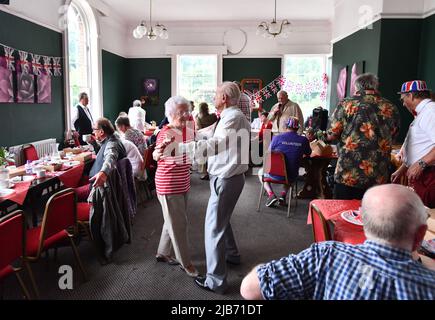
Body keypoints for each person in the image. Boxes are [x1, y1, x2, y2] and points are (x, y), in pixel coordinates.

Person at [240, 184, 435, 300]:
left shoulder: (326, 256)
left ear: (363, 222)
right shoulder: (428, 287)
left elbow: (249, 289)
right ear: (420, 236)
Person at [157, 82, 251, 293]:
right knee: (221, 220)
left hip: (227, 178)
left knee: (213, 228)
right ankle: (232, 254)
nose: (214, 96)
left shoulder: (233, 117)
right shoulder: (230, 117)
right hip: (229, 177)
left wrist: (179, 147)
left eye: (217, 93)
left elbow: (216, 143)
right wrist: (192, 136)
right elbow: (212, 134)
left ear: (225, 98)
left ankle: (215, 281)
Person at [327, 73, 400, 200]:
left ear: (357, 87)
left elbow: (333, 134)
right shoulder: (390, 107)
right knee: (373, 215)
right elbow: (393, 135)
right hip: (378, 173)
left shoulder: (346, 104)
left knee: (343, 213)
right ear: (375, 86)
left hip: (349, 172)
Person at [152, 96, 199, 278]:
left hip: (182, 181)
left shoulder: (186, 128)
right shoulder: (166, 133)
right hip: (169, 184)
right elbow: (156, 155)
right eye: (182, 112)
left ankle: (163, 252)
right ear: (171, 114)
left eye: (188, 111)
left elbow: (194, 143)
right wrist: (159, 151)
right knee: (179, 224)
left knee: (172, 219)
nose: (187, 115)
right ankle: (185, 263)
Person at [392, 80, 435, 208]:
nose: (403, 104)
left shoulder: (431, 112)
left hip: (429, 176)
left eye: (403, 99)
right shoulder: (423, 112)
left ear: (410, 95)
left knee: (424, 219)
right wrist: (403, 168)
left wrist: (421, 164)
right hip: (422, 175)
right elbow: (422, 145)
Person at [262, 117, 311, 207]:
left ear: (285, 126)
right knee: (289, 174)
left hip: (274, 174)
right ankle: (283, 195)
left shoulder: (277, 138)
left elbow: (268, 153)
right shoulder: (304, 140)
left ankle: (271, 194)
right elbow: (308, 153)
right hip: (291, 175)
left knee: (260, 173)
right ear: (298, 128)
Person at [194, 102, 218, 180]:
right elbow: (217, 126)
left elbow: (199, 129)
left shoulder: (198, 118)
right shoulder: (213, 116)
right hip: (213, 138)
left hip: (202, 139)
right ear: (207, 108)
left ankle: (203, 173)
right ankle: (212, 170)